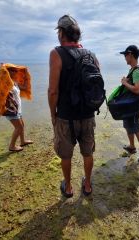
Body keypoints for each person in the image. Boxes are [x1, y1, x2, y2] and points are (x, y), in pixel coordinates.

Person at [48, 14, 100, 198]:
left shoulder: (57, 53)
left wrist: (53, 114)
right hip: (87, 115)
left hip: (65, 116)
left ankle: (68, 187)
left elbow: (53, 91)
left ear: (61, 33)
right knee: (87, 151)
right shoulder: (91, 55)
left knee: (66, 155)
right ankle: (87, 184)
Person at [119, 45, 139, 163]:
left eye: (125, 55)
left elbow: (137, 89)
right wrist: (126, 81)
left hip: (135, 106)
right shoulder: (133, 69)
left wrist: (124, 83)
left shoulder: (136, 71)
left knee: (136, 128)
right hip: (130, 105)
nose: (125, 58)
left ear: (130, 55)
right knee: (127, 125)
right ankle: (132, 146)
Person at [5, 67, 33, 152]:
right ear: (7, 72)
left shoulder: (15, 83)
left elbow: (24, 87)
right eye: (12, 70)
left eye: (15, 71)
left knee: (22, 125)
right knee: (19, 127)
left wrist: (27, 77)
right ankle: (12, 146)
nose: (14, 72)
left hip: (18, 109)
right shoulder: (5, 83)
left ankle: (22, 141)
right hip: (11, 109)